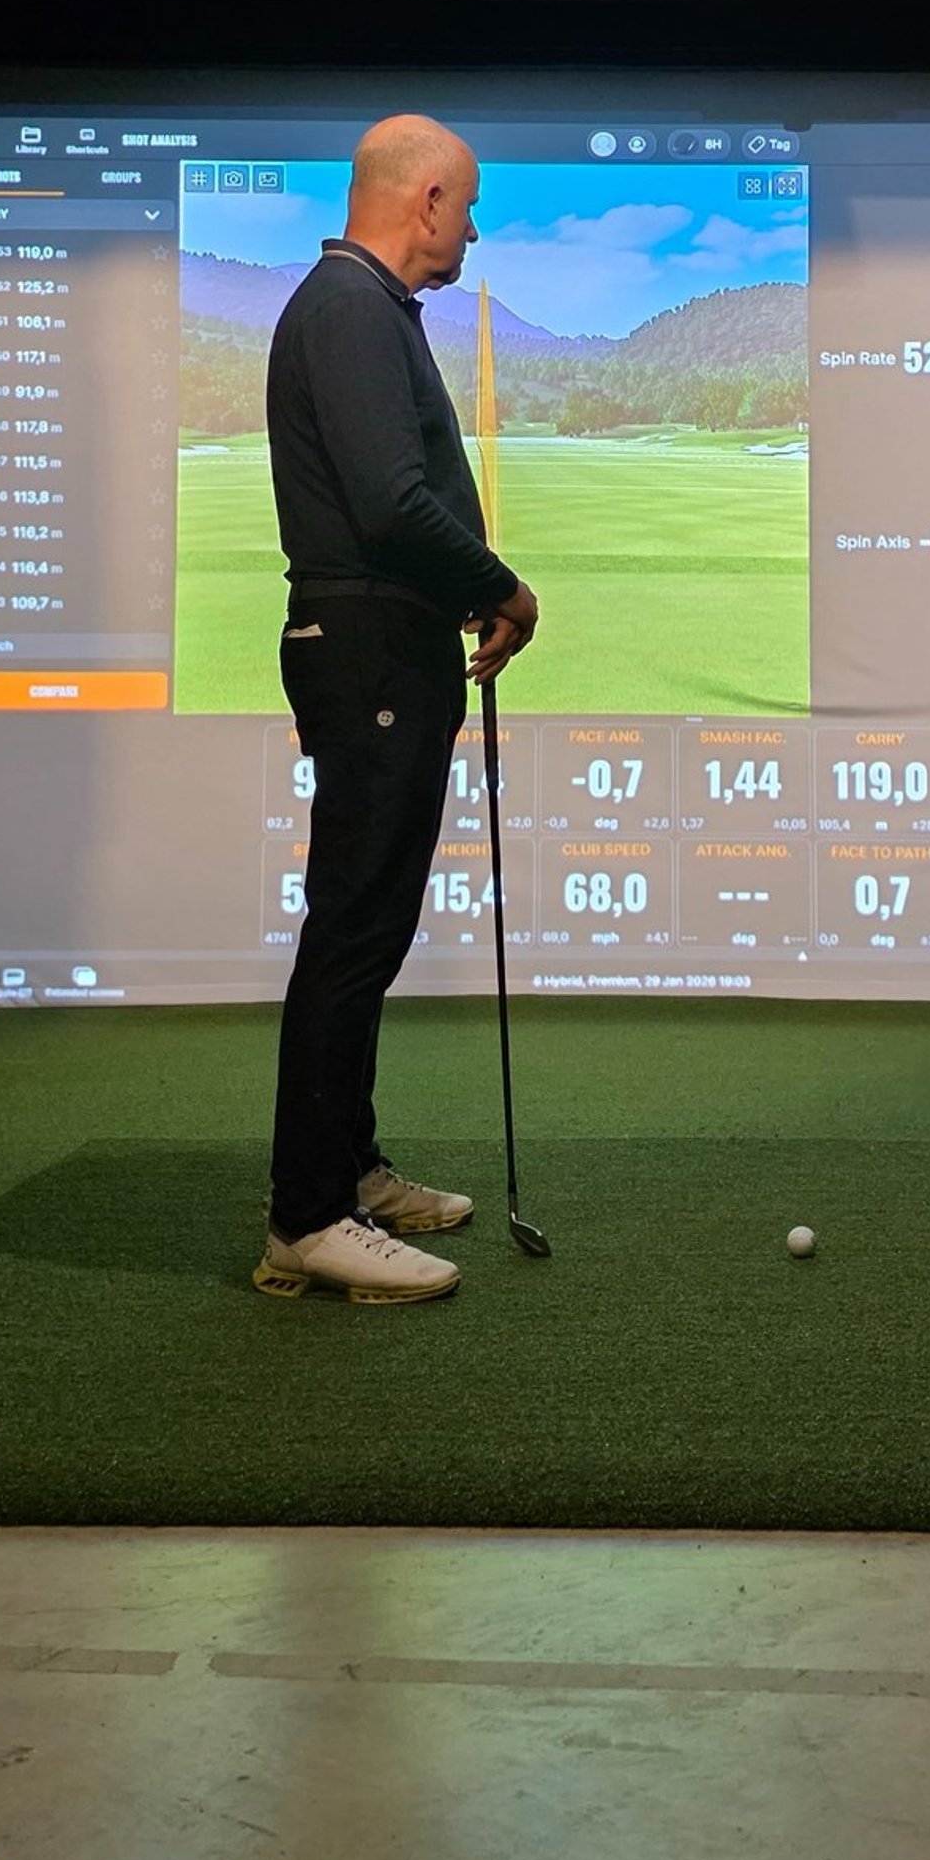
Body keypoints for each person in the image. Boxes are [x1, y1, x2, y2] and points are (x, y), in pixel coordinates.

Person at [257, 115, 539, 1303]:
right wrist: (504, 587)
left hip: (388, 642)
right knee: (355, 926)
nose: (471, 229)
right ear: (425, 199)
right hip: (368, 645)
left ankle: (349, 1167)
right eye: (466, 205)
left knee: (368, 923)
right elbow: (388, 501)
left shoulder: (368, 306)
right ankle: (308, 1215)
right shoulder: (351, 307)